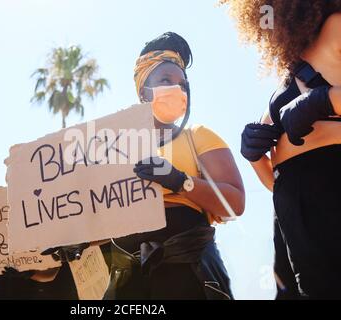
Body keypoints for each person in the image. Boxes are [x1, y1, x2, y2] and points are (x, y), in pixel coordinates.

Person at [104, 32, 245, 300]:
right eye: (166, 80)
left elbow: (234, 204)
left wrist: (180, 181)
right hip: (127, 275)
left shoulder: (198, 136)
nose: (177, 89)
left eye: (183, 84)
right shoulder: (111, 145)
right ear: (144, 89)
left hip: (189, 269)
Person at [223, 0, 341, 299]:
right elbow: (276, 183)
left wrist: (323, 101)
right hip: (295, 218)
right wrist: (254, 158)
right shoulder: (286, 78)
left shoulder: (338, 25)